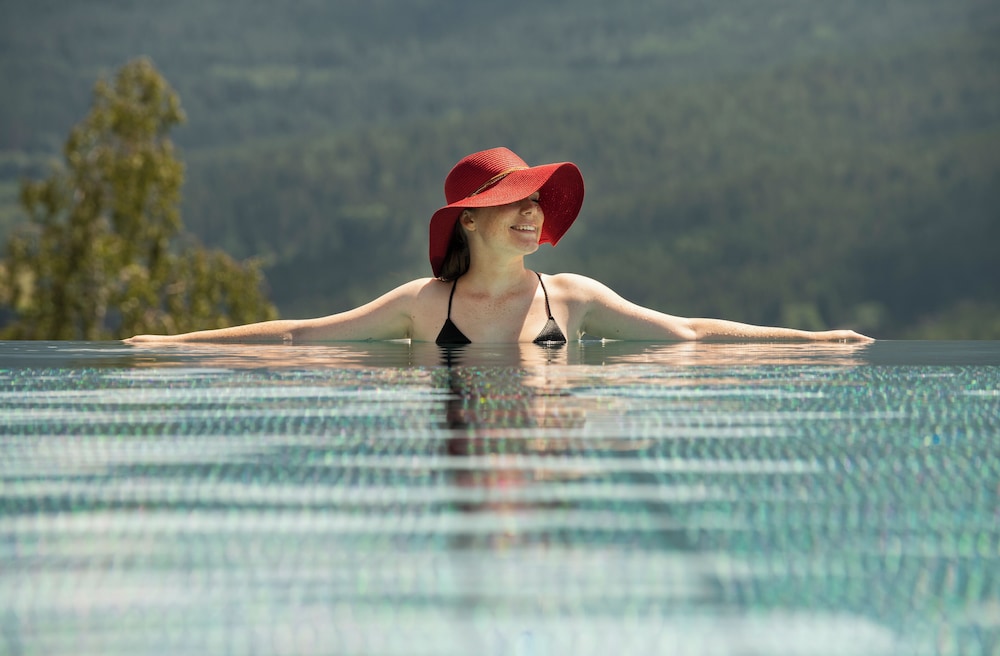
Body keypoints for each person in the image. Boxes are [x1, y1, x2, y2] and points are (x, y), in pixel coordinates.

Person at [126, 147, 872, 345]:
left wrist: (814, 341)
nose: (530, 213)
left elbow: (692, 336)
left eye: (534, 201)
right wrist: (172, 344)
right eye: (512, 202)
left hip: (545, 446)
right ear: (470, 222)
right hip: (462, 464)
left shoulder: (571, 298)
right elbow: (299, 337)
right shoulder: (425, 306)